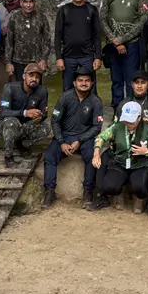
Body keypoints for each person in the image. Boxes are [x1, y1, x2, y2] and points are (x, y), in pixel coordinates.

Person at [42, 67, 104, 209]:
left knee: (92, 156)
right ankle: (49, 191)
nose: (84, 83)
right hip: (65, 136)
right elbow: (55, 120)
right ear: (74, 83)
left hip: (85, 138)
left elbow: (97, 127)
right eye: (80, 80)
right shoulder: (65, 97)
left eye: (87, 80)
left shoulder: (96, 101)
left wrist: (80, 140)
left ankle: (88, 192)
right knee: (50, 156)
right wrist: (61, 142)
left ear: (92, 83)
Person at [90, 101, 148, 215]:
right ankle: (118, 194)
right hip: (120, 163)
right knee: (110, 186)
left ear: (139, 118)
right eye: (126, 120)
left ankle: (140, 199)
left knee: (141, 188)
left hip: (139, 165)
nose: (128, 123)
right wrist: (96, 154)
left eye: (131, 121)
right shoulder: (117, 127)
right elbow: (100, 138)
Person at [118, 71, 148, 217]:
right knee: (108, 156)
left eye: (143, 82)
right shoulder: (124, 103)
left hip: (147, 147)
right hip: (127, 146)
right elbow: (116, 126)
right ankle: (113, 193)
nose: (139, 86)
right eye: (136, 83)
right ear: (132, 84)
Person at [100, 0, 147, 108]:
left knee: (132, 78)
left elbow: (143, 19)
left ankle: (132, 108)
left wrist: (123, 39)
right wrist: (114, 40)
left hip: (132, 43)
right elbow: (102, 18)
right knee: (116, 80)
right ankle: (117, 109)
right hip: (113, 45)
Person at [55, 0, 103, 91]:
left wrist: (98, 57)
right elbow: (58, 35)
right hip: (68, 56)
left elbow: (97, 35)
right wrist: (59, 58)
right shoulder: (64, 10)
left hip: (87, 56)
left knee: (90, 88)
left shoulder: (91, 10)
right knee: (67, 88)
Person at [0, 63, 51, 168]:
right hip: (11, 123)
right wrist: (25, 113)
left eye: (37, 77)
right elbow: (3, 112)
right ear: (24, 76)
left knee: (47, 126)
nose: (34, 79)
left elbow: (44, 113)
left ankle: (22, 144)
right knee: (10, 122)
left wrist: (40, 116)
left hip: (28, 124)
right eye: (31, 75)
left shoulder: (42, 92)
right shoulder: (9, 88)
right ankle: (8, 156)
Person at [5, 0, 51, 82]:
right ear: (21, 3)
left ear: (35, 3)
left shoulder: (41, 17)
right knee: (19, 87)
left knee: (35, 86)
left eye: (31, 2)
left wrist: (44, 59)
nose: (28, 5)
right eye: (25, 2)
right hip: (18, 61)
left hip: (36, 61)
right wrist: (8, 62)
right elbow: (9, 41)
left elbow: (47, 40)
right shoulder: (14, 17)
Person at [0, 0, 20, 91]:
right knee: (3, 86)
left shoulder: (24, 5)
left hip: (20, 54)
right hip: (2, 53)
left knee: (19, 85)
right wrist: (0, 31)